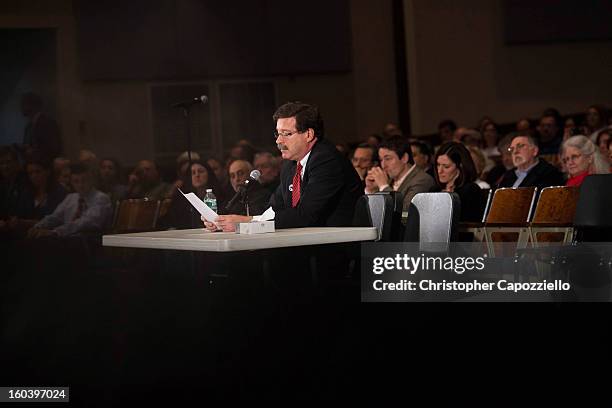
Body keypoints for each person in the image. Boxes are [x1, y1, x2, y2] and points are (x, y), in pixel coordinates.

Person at [204, 101, 362, 232]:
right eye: (277, 134)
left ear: (308, 134)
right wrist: (224, 221)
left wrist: (246, 223)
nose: (278, 141)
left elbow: (305, 215)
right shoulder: (290, 165)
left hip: (336, 250)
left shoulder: (326, 160)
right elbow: (274, 208)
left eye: (286, 134)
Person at [27, 163, 112, 238]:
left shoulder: (101, 198)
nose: (81, 185)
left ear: (91, 180)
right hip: (68, 239)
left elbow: (85, 223)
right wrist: (37, 227)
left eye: (84, 180)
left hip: (90, 243)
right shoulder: (70, 198)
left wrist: (56, 232)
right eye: (76, 181)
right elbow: (55, 217)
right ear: (71, 182)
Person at [365, 136, 435, 212]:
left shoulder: (422, 180)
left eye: (388, 159)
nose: (383, 165)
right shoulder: (388, 179)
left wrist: (383, 186)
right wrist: (371, 190)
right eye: (381, 160)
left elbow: (405, 214)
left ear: (404, 158)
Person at [160, 160, 225, 229]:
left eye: (201, 171)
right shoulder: (182, 199)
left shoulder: (220, 195)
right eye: (193, 173)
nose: (197, 175)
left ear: (209, 174)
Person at [432, 142, 485, 222]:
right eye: (438, 165)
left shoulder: (470, 190)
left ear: (460, 167)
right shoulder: (433, 190)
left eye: (446, 166)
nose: (439, 171)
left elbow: (470, 222)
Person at [496, 133, 564, 189]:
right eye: (512, 149)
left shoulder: (549, 173)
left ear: (534, 151)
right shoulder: (508, 175)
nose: (515, 152)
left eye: (520, 146)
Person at [20, 92, 62, 161]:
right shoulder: (28, 127)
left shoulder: (48, 123)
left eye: (24, 103)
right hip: (32, 166)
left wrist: (34, 152)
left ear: (34, 105)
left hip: (45, 167)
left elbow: (55, 148)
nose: (21, 107)